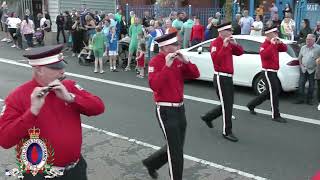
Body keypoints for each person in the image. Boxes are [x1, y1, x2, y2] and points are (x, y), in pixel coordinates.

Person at [0, 44, 105, 180]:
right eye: (56, 68)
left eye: (62, 65)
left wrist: (71, 98)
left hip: (75, 169)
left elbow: (99, 107)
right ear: (39, 70)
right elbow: (5, 140)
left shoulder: (68, 86)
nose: (62, 71)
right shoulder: (17, 96)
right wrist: (32, 112)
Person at [142, 32, 200, 180]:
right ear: (165, 47)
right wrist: (167, 66)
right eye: (175, 45)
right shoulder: (156, 61)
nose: (178, 47)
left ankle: (151, 163)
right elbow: (155, 86)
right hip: (165, 109)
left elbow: (195, 74)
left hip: (180, 108)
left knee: (177, 145)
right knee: (176, 152)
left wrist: (186, 61)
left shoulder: (178, 59)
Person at [200, 22, 244, 142]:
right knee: (227, 105)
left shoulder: (229, 42)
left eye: (231, 31)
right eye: (229, 31)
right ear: (222, 32)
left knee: (228, 103)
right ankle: (227, 131)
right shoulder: (215, 43)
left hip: (229, 77)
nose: (231, 33)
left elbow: (240, 52)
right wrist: (224, 46)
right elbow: (216, 60)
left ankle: (208, 117)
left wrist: (235, 44)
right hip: (220, 77)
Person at [246, 26, 287, 123]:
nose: (276, 35)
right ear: (269, 34)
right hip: (267, 71)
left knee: (269, 92)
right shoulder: (264, 45)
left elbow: (284, 49)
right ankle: (275, 115)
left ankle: (251, 104)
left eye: (276, 33)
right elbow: (264, 55)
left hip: (274, 71)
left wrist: (280, 42)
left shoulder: (275, 43)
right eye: (274, 33)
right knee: (274, 93)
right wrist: (272, 44)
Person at [294, 34, 320, 105]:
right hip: (303, 69)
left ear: (314, 40)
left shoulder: (318, 48)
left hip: (313, 69)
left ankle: (309, 100)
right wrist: (301, 66)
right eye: (307, 39)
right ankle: (300, 99)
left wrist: (317, 65)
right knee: (301, 84)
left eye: (309, 39)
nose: (307, 41)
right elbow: (299, 58)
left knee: (311, 85)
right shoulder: (303, 47)